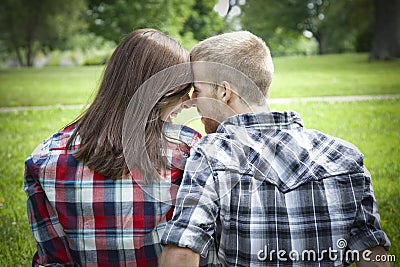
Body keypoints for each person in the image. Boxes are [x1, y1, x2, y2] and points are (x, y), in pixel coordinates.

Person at [160, 31, 391, 266]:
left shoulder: (212, 154)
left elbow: (182, 254)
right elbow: (373, 255)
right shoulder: (344, 157)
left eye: (197, 90)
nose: (191, 100)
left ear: (224, 92)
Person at [24, 28, 219, 266]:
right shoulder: (188, 150)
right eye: (182, 92)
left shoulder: (45, 159)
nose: (188, 101)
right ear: (162, 92)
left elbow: (53, 260)